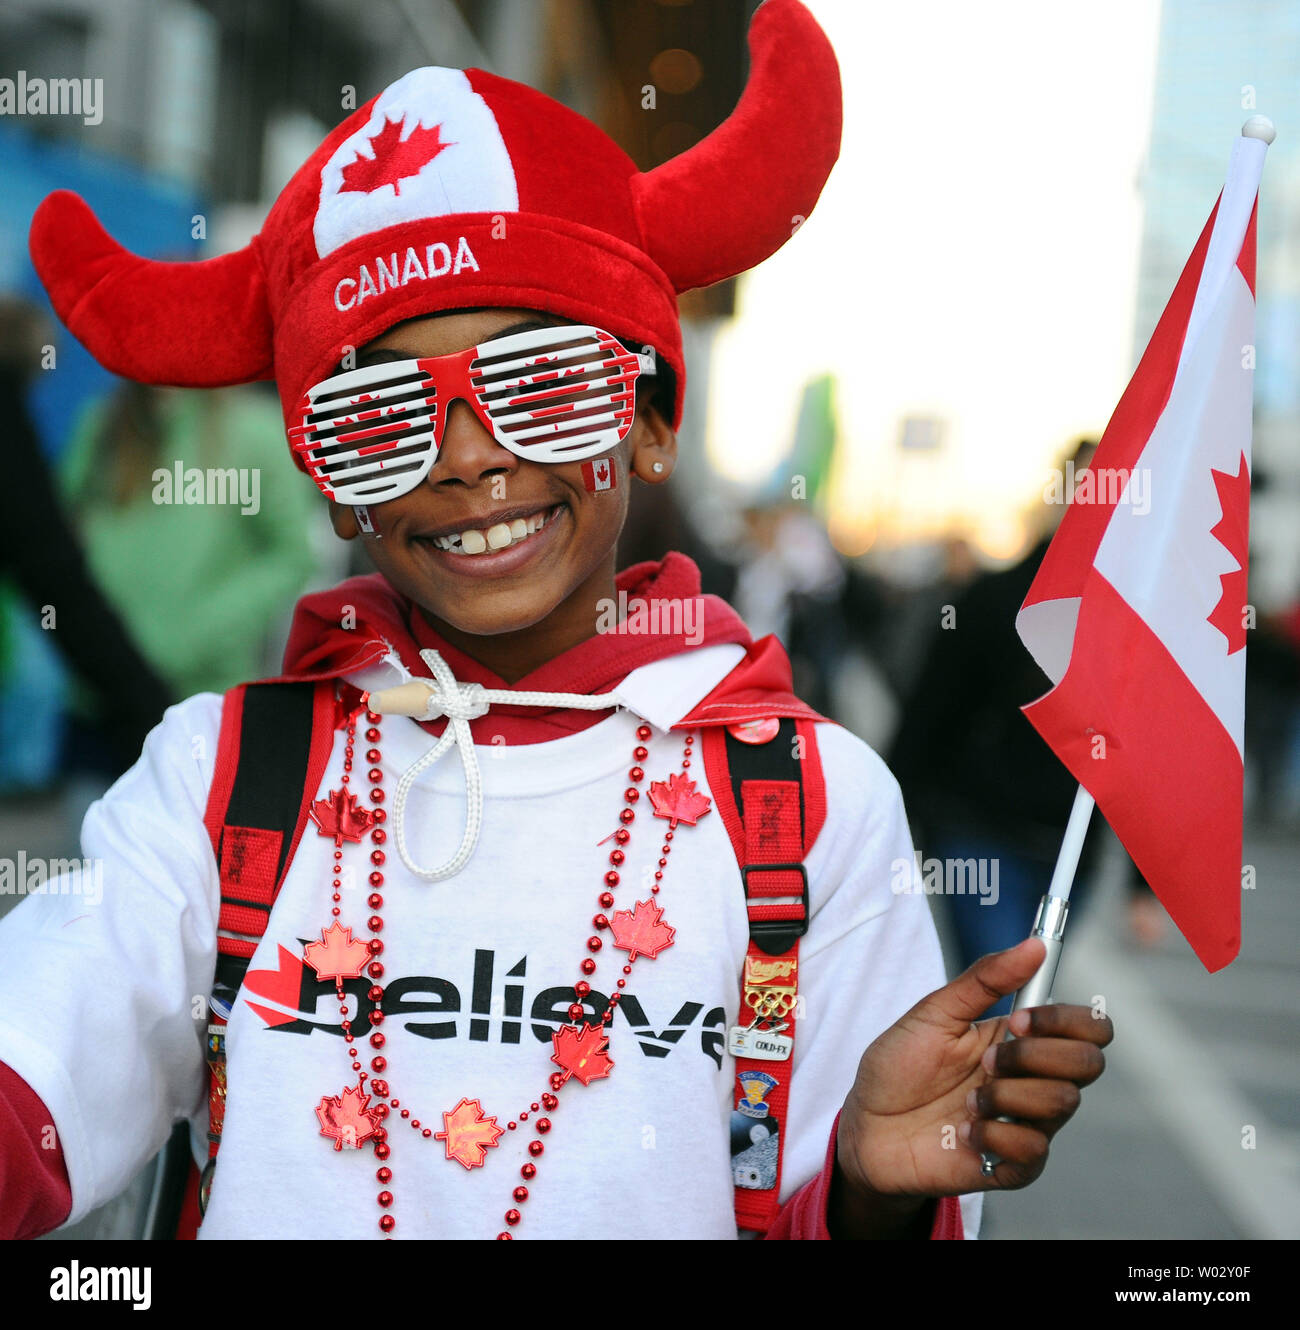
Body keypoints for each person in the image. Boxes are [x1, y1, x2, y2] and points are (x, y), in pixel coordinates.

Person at [0, 0, 1112, 1241]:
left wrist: (865, 1194)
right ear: (328, 478)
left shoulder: (809, 805)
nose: (471, 461)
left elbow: (859, 1206)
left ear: (648, 420)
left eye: (544, 386)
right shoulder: (220, 778)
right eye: (379, 414)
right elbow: (37, 1061)